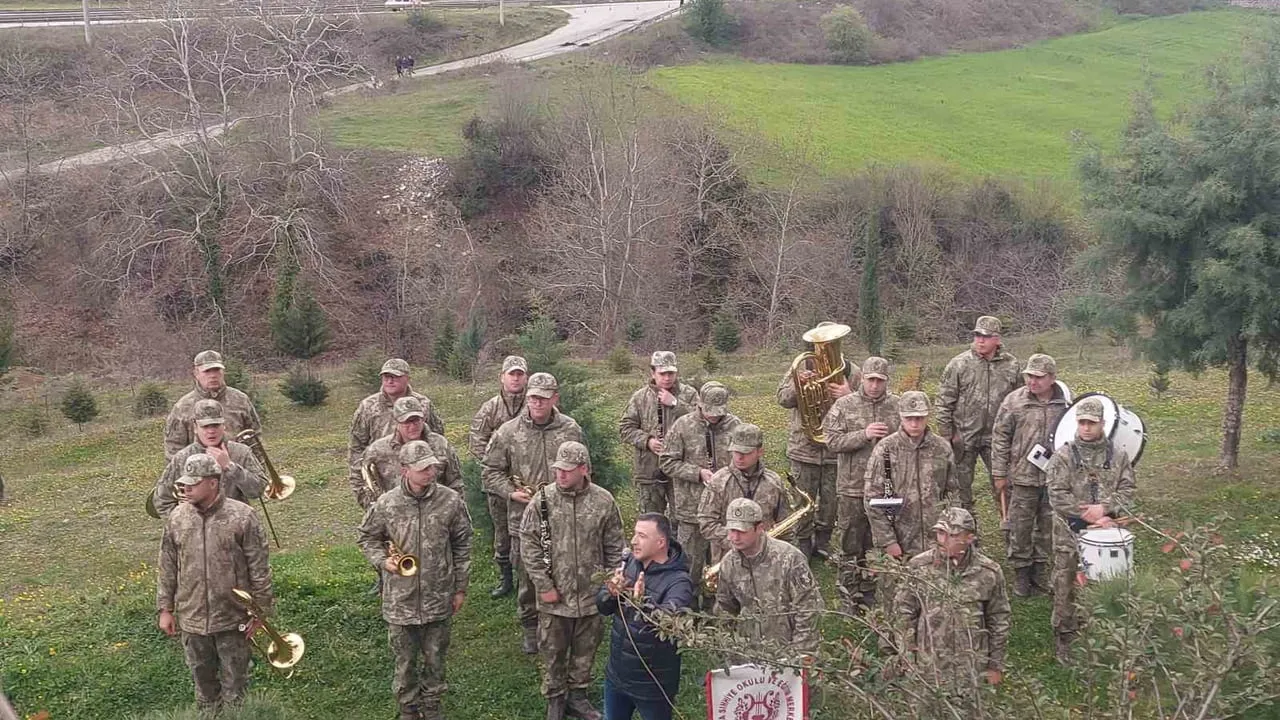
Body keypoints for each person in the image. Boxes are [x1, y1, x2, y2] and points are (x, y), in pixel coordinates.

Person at [358, 440, 472, 720]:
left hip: (438, 594)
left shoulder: (450, 500)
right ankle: (408, 707)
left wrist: (460, 588)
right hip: (401, 599)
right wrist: (383, 562)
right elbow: (367, 537)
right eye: (422, 469)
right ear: (404, 469)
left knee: (436, 657)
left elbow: (462, 544)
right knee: (404, 659)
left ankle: (432, 705)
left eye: (432, 467)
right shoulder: (386, 503)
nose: (429, 473)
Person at [157, 454, 273, 718]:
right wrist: (165, 609)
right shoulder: (177, 518)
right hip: (192, 621)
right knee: (204, 692)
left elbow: (259, 567)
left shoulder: (243, 516)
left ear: (213, 482)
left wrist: (261, 611)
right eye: (184, 483)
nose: (186, 488)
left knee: (236, 691)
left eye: (193, 483)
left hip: (233, 620)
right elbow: (167, 566)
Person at [521, 441, 626, 720]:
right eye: (558, 469)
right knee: (552, 650)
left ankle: (577, 696)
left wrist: (611, 582)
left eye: (568, 470)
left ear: (583, 469)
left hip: (592, 596)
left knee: (585, 649)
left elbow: (615, 544)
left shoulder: (603, 501)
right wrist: (544, 586)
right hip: (555, 597)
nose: (561, 475)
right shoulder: (542, 500)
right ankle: (555, 699)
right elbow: (529, 545)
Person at [482, 372, 585, 654]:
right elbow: (490, 472)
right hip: (523, 520)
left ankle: (561, 621)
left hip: (563, 518)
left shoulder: (571, 430)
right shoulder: (508, 432)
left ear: (555, 398)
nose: (537, 402)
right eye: (533, 397)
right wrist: (510, 492)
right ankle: (529, 626)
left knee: (563, 571)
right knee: (527, 576)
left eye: (543, 397)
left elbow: (584, 469)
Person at [1046, 396, 1136, 664]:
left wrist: (1105, 509)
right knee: (1065, 581)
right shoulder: (1063, 455)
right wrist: (1088, 515)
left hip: (1106, 533)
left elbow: (1129, 490)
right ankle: (1064, 635)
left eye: (1091, 423)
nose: (1086, 428)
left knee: (1105, 580)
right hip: (1068, 532)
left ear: (1103, 424)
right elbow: (1056, 495)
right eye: (1082, 422)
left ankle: (1103, 631)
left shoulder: (1118, 456)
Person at [863, 390, 958, 634]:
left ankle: (930, 641)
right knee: (894, 596)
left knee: (934, 595)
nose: (914, 423)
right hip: (899, 539)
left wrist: (951, 534)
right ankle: (891, 645)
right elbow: (873, 500)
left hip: (934, 539)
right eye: (909, 418)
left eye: (919, 417)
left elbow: (952, 494)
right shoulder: (885, 450)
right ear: (900, 418)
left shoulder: (942, 448)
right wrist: (888, 542)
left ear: (928, 417)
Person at [896, 507, 1010, 690]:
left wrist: (995, 665)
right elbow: (903, 613)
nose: (942, 540)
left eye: (951, 535)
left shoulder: (988, 572)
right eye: (940, 532)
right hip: (929, 669)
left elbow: (998, 619)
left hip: (972, 671)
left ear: (969, 538)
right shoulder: (919, 567)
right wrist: (907, 656)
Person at [822, 356, 900, 613]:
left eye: (880, 380)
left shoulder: (897, 406)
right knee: (849, 543)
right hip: (852, 488)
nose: (875, 385)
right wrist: (863, 435)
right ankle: (847, 594)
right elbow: (831, 441)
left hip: (885, 490)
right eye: (871, 380)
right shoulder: (844, 405)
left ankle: (869, 592)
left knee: (877, 542)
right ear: (862, 379)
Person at [597, 513, 694, 720]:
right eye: (634, 534)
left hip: (652, 686)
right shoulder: (630, 563)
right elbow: (603, 607)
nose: (633, 541)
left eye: (641, 536)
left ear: (660, 543)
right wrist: (611, 593)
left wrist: (642, 603)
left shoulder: (679, 582)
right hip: (616, 676)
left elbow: (669, 625)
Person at [658, 381, 742, 610]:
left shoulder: (736, 426)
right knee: (690, 566)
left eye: (719, 413)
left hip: (723, 512)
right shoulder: (682, 426)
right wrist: (697, 473)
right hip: (691, 510)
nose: (714, 417)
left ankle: (718, 613)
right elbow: (666, 461)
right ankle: (689, 613)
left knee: (724, 567)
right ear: (699, 405)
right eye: (709, 412)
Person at [992, 353, 1070, 596]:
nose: (1032, 381)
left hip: (1054, 480)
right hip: (1021, 478)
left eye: (1038, 377)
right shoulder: (1013, 401)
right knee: (1019, 528)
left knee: (1047, 528)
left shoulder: (1066, 403)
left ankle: (1040, 573)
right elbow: (1000, 437)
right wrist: (999, 472)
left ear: (1052, 378)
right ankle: (1021, 575)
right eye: (1029, 376)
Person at [776, 322, 855, 558]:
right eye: (822, 344)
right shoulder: (801, 367)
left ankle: (823, 541)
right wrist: (798, 384)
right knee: (803, 499)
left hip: (835, 450)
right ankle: (803, 543)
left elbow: (868, 403)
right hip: (804, 449)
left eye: (831, 344)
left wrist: (849, 395)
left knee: (831, 502)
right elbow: (782, 399)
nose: (826, 348)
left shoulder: (852, 371)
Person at [715, 498, 824, 656]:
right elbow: (725, 611)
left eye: (742, 531)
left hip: (788, 652)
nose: (735, 537)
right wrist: (728, 651)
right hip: (748, 654)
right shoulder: (728, 564)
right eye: (731, 530)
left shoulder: (790, 558)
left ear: (760, 528)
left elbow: (809, 609)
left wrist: (801, 656)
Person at [935, 316, 1021, 513]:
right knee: (959, 488)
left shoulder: (1011, 365)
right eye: (977, 335)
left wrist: (1015, 433)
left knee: (1005, 485)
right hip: (963, 437)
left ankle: (1009, 528)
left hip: (998, 437)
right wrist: (947, 435)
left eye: (986, 336)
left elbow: (1020, 401)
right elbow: (944, 401)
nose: (980, 340)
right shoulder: (959, 364)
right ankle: (964, 536)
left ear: (997, 339)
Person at [469, 355, 529, 599]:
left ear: (526, 377)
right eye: (511, 374)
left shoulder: (534, 404)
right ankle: (506, 579)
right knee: (502, 533)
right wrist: (497, 465)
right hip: (498, 485)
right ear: (502, 377)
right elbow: (477, 441)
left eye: (519, 374)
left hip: (529, 485)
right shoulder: (490, 408)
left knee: (529, 532)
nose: (515, 378)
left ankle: (529, 578)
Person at [348, 358, 445, 506]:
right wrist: (363, 492)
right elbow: (356, 447)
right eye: (386, 377)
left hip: (424, 487)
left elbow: (437, 439)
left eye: (395, 376)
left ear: (407, 378)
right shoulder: (368, 407)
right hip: (385, 485)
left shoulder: (423, 404)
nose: (389, 381)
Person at [697, 424, 792, 568]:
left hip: (767, 562)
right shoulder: (719, 481)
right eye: (736, 451)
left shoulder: (773, 482)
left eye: (746, 452)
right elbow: (706, 523)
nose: (739, 457)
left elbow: (785, 524)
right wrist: (739, 540)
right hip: (728, 560)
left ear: (760, 452)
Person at [619, 350, 698, 522]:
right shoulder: (640, 398)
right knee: (651, 522)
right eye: (663, 373)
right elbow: (625, 428)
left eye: (671, 373)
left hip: (681, 469)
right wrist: (648, 441)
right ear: (653, 373)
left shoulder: (689, 394)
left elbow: (701, 421)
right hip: (649, 471)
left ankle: (678, 550)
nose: (667, 378)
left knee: (683, 520)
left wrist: (675, 404)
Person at [154, 399, 267, 519]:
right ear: (195, 427)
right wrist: (183, 522)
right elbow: (161, 500)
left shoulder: (241, 452)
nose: (211, 431)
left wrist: (230, 467)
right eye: (205, 426)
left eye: (216, 425)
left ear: (224, 425)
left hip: (235, 528)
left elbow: (259, 490)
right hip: (195, 533)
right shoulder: (182, 458)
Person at [359, 396, 465, 506]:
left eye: (416, 420)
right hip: (393, 515)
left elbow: (456, 482)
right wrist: (377, 510)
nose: (413, 426)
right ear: (396, 422)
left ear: (423, 419)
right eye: (407, 422)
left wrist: (454, 510)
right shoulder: (378, 450)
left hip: (437, 514)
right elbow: (365, 484)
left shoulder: (441, 445)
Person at [164, 350, 261, 459]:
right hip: (199, 471)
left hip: (238, 471)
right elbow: (174, 449)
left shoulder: (240, 400)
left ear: (223, 372)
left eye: (217, 370)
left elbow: (256, 440)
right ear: (196, 373)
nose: (213, 375)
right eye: (207, 371)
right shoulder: (182, 407)